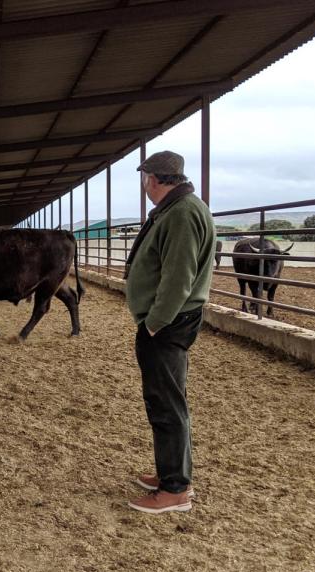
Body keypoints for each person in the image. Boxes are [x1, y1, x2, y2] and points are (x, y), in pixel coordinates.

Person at [123, 150, 216, 514]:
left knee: (166, 402)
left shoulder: (181, 214)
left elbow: (179, 277)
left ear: (154, 179)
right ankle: (171, 474)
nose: (145, 183)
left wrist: (154, 323)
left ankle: (175, 489)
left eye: (146, 177)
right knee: (167, 397)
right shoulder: (180, 209)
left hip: (168, 322)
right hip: (170, 318)